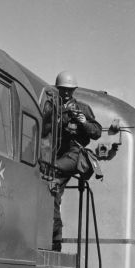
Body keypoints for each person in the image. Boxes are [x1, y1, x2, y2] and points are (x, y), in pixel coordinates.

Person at [42, 71, 102, 251]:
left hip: (74, 154)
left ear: (73, 90)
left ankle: (55, 239)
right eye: (62, 89)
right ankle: (53, 236)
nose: (66, 92)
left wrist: (83, 122)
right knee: (51, 189)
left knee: (52, 177)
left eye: (69, 89)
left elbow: (96, 132)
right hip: (55, 154)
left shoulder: (82, 108)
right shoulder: (52, 107)